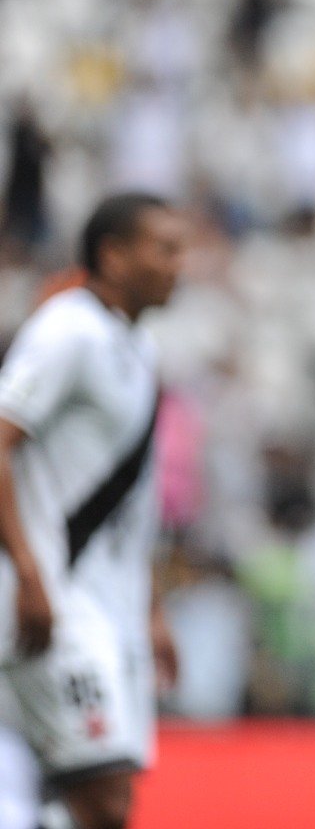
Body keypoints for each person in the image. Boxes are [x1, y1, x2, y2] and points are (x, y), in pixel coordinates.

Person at [0, 192, 184, 829]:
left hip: (114, 607)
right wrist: (27, 572)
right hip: (58, 600)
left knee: (88, 800)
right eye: (164, 248)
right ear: (113, 253)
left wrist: (152, 608)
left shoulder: (140, 350)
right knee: (105, 797)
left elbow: (131, 501)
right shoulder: (67, 328)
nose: (178, 264)